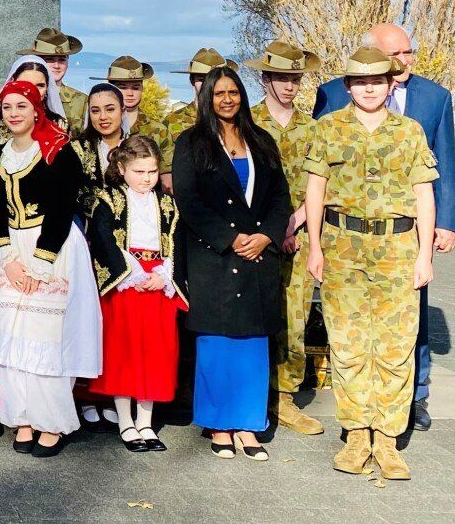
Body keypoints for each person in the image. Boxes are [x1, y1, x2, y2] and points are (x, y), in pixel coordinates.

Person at [315, 21, 455, 433]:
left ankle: (415, 396)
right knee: (353, 328)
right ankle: (360, 418)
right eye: (394, 54)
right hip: (348, 237)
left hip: (405, 232)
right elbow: (320, 172)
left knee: (410, 319)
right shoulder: (333, 95)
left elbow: (445, 164)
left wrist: (445, 224)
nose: (404, 61)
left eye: (408, 52)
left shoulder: (435, 97)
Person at [304, 46, 436, 481]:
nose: (369, 89)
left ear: (390, 84)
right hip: (343, 247)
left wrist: (424, 256)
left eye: (377, 81)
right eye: (361, 82)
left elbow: (423, 194)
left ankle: (388, 440)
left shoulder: (410, 131)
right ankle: (357, 435)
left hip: (397, 248)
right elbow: (316, 190)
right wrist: (315, 247)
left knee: (396, 347)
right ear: (348, 86)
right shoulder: (327, 128)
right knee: (348, 345)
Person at [172, 65, 289, 460]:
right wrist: (230, 238)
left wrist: (267, 236)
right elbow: (189, 201)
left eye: (233, 92)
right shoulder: (191, 143)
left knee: (252, 346)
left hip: (258, 255)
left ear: (242, 96)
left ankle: (248, 426)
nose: (227, 99)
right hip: (214, 256)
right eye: (219, 93)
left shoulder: (262, 141)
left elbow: (280, 198)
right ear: (207, 97)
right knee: (217, 344)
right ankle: (220, 426)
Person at [0, 66, 101, 455]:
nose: (13, 113)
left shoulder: (57, 150)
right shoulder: (0, 153)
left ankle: (51, 422)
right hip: (13, 251)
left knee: (46, 338)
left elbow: (62, 208)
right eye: (7, 107)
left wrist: (40, 262)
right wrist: (6, 255)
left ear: (37, 109)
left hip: (53, 247)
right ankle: (23, 417)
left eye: (21, 106)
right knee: (11, 335)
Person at [246, 38, 325, 437]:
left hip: (300, 232)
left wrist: (293, 223)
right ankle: (253, 396)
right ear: (265, 79)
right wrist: (271, 227)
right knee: (253, 315)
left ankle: (286, 397)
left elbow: (320, 183)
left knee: (295, 316)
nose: (290, 86)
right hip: (253, 235)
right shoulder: (246, 123)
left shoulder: (313, 128)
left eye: (295, 79)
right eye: (281, 78)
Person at [87, 136, 182, 451]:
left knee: (155, 352)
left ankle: (146, 421)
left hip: (157, 282)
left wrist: (163, 273)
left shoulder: (166, 203)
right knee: (124, 352)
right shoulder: (109, 199)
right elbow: (102, 237)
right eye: (139, 171)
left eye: (152, 171)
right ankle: (125, 421)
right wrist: (134, 273)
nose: (147, 178)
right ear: (121, 168)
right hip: (126, 280)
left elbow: (175, 241)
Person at [155, 47, 232, 160]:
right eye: (202, 79)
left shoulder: (235, 120)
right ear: (192, 80)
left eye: (214, 79)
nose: (208, 85)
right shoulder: (171, 123)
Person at [69, 83, 128, 213]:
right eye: (95, 111)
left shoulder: (136, 148)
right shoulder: (76, 149)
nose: (103, 117)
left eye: (110, 109)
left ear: (123, 111)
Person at [32, 27, 89, 130]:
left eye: (62, 60)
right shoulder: (21, 97)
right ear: (38, 61)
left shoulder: (81, 100)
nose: (56, 65)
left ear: (68, 62)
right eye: (49, 59)